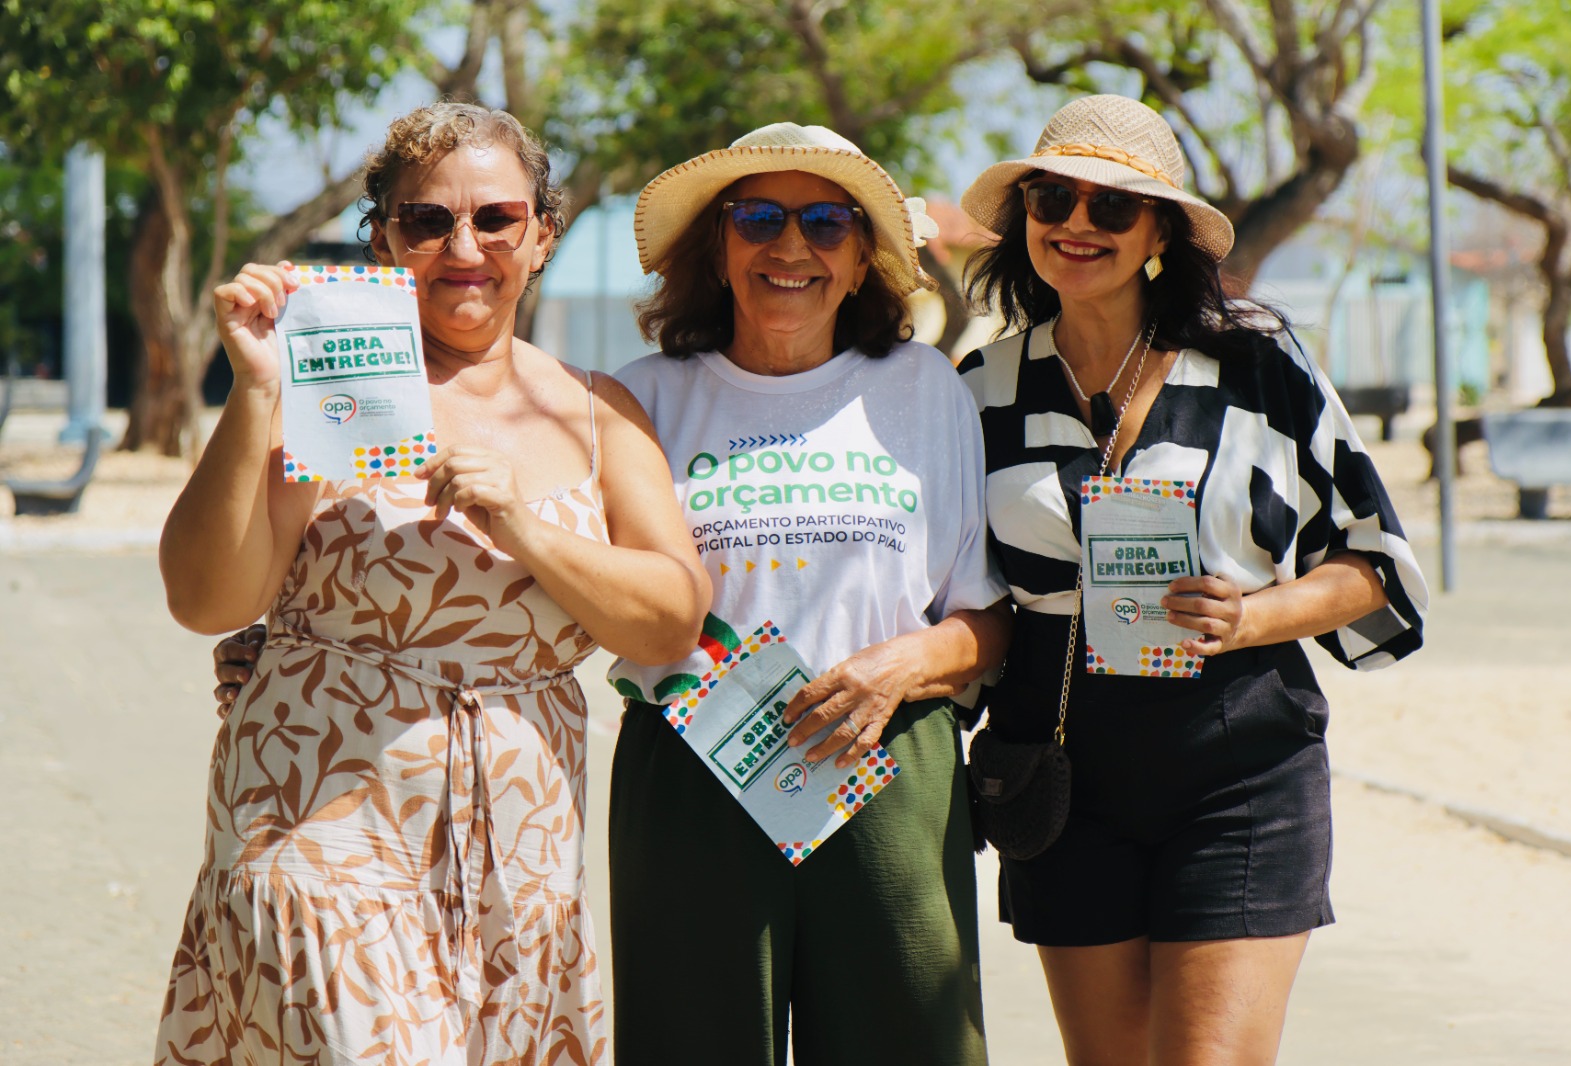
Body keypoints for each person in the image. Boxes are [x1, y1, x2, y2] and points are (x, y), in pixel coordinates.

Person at [155, 101, 711, 1065]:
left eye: (496, 219)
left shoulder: (595, 412)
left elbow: (670, 620)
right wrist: (256, 391)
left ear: (542, 235)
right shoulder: (330, 387)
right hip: (322, 828)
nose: (464, 249)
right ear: (382, 239)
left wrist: (524, 526)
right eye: (427, 221)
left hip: (523, 861)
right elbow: (208, 601)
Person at [955, 94, 1429, 1065]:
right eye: (1052, 199)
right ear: (1023, 218)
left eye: (1112, 206)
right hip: (1059, 770)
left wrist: (1250, 616)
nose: (1077, 224)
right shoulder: (978, 389)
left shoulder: (1257, 363)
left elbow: (1374, 565)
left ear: (1160, 232)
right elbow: (954, 587)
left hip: (1238, 762)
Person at [602, 122, 1010, 1066]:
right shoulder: (639, 399)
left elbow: (987, 622)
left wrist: (900, 665)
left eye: (827, 223)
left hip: (886, 755)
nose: (791, 247)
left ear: (864, 258)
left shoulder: (925, 388)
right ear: (718, 247)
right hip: (690, 771)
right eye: (758, 219)